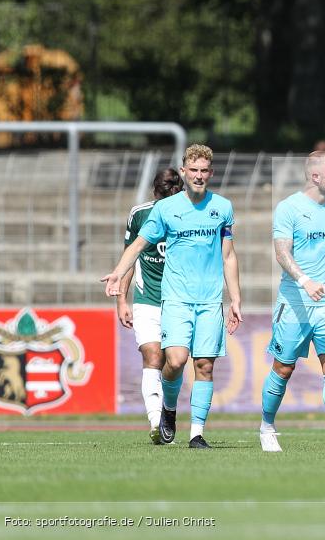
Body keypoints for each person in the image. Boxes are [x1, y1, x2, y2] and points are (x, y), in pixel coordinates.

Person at [103, 144, 242, 449]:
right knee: (176, 361)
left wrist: (235, 298)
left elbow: (229, 256)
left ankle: (197, 434)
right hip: (177, 300)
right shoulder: (166, 209)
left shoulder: (223, 207)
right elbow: (138, 245)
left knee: (204, 365)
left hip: (209, 301)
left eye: (204, 170)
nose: (199, 176)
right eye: (193, 170)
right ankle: (168, 408)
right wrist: (118, 273)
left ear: (211, 172)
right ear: (183, 171)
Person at [258, 151, 325, 453]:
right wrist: (305, 281)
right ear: (316, 176)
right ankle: (266, 426)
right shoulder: (288, 208)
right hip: (295, 303)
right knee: (283, 369)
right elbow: (281, 252)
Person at [116, 167, 183, 444]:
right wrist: (122, 299)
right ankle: (156, 421)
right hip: (147, 298)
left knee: (175, 362)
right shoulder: (140, 214)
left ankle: (167, 413)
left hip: (180, 299)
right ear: (156, 192)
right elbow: (130, 256)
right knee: (153, 356)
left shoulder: (187, 213)